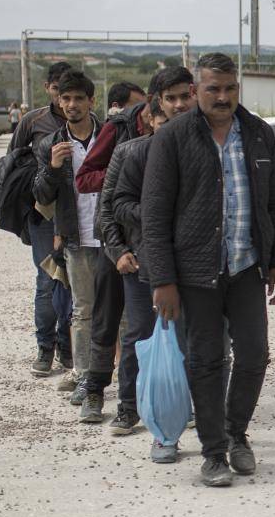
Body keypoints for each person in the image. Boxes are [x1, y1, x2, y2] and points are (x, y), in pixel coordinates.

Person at [140, 52, 275, 488]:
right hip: (194, 274)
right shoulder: (173, 138)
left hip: (246, 267)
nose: (222, 97)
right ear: (195, 91)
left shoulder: (259, 134)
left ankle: (235, 432)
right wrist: (163, 280)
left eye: (230, 88)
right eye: (213, 89)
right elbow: (154, 215)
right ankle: (213, 454)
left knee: (254, 355)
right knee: (205, 361)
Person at [90, 67, 197, 440]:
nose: (172, 120)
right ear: (151, 118)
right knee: (139, 337)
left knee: (188, 337)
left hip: (188, 264)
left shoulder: (200, 152)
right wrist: (118, 250)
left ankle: (183, 405)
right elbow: (109, 208)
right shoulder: (130, 154)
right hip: (139, 262)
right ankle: (128, 408)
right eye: (164, 115)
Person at [32, 70, 104, 415]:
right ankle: (85, 376)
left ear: (92, 101)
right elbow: (41, 196)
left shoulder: (110, 137)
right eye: (65, 99)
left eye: (78, 98)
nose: (71, 104)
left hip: (111, 238)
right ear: (58, 102)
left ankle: (121, 379)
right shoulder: (52, 144)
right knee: (83, 311)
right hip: (76, 240)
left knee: (120, 315)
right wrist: (51, 167)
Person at [11, 60, 75, 380]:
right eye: (58, 90)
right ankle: (45, 348)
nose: (65, 99)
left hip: (76, 216)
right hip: (42, 215)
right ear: (48, 89)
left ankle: (68, 347)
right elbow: (13, 165)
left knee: (74, 281)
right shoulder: (32, 121)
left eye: (71, 92)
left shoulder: (91, 122)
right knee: (48, 280)